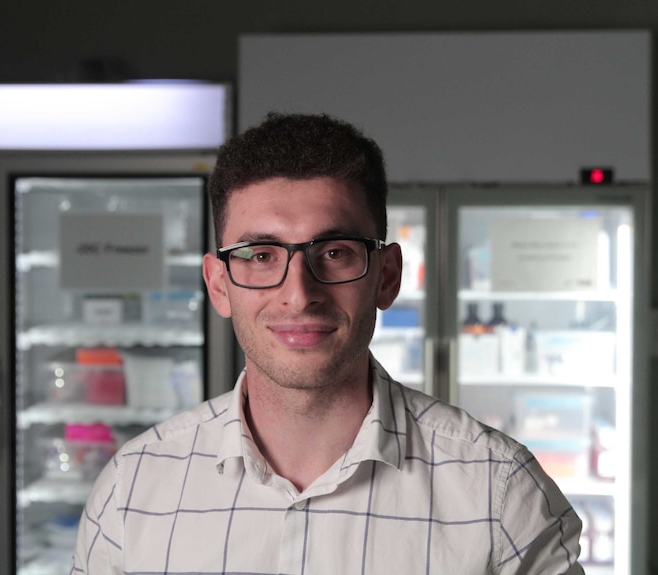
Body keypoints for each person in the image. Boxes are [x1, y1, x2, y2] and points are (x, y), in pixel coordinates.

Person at [71, 112, 584, 574]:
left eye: (335, 251)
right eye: (260, 254)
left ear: (386, 276)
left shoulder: (500, 494)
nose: (298, 295)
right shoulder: (131, 490)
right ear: (219, 284)